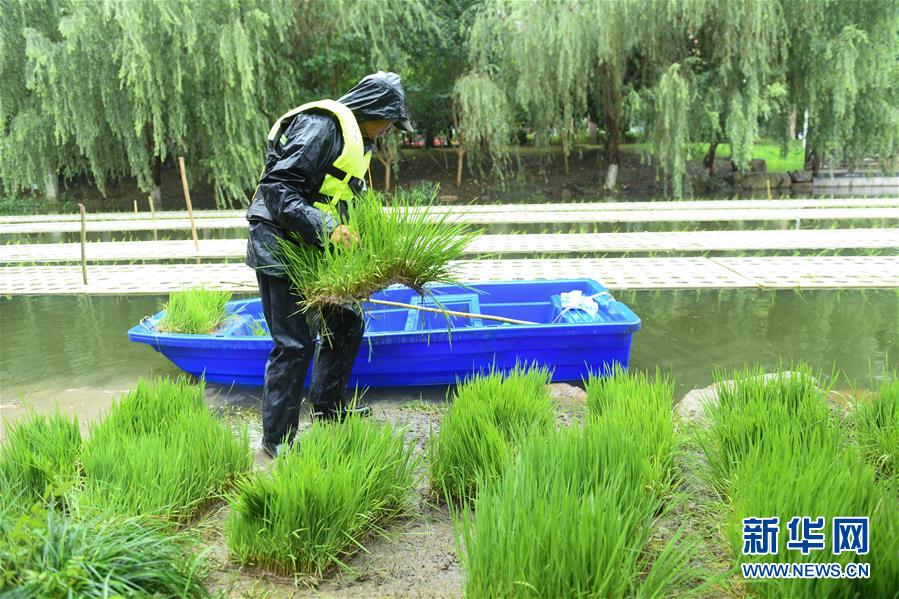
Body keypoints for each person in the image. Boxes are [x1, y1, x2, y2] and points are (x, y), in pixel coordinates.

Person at [245, 72, 414, 458]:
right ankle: (277, 443)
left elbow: (346, 201)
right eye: (389, 119)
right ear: (372, 109)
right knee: (293, 345)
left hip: (312, 245)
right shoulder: (321, 127)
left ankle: (328, 409)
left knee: (346, 322)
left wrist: (381, 255)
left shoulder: (358, 142)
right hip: (279, 243)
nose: (389, 128)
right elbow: (276, 189)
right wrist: (327, 228)